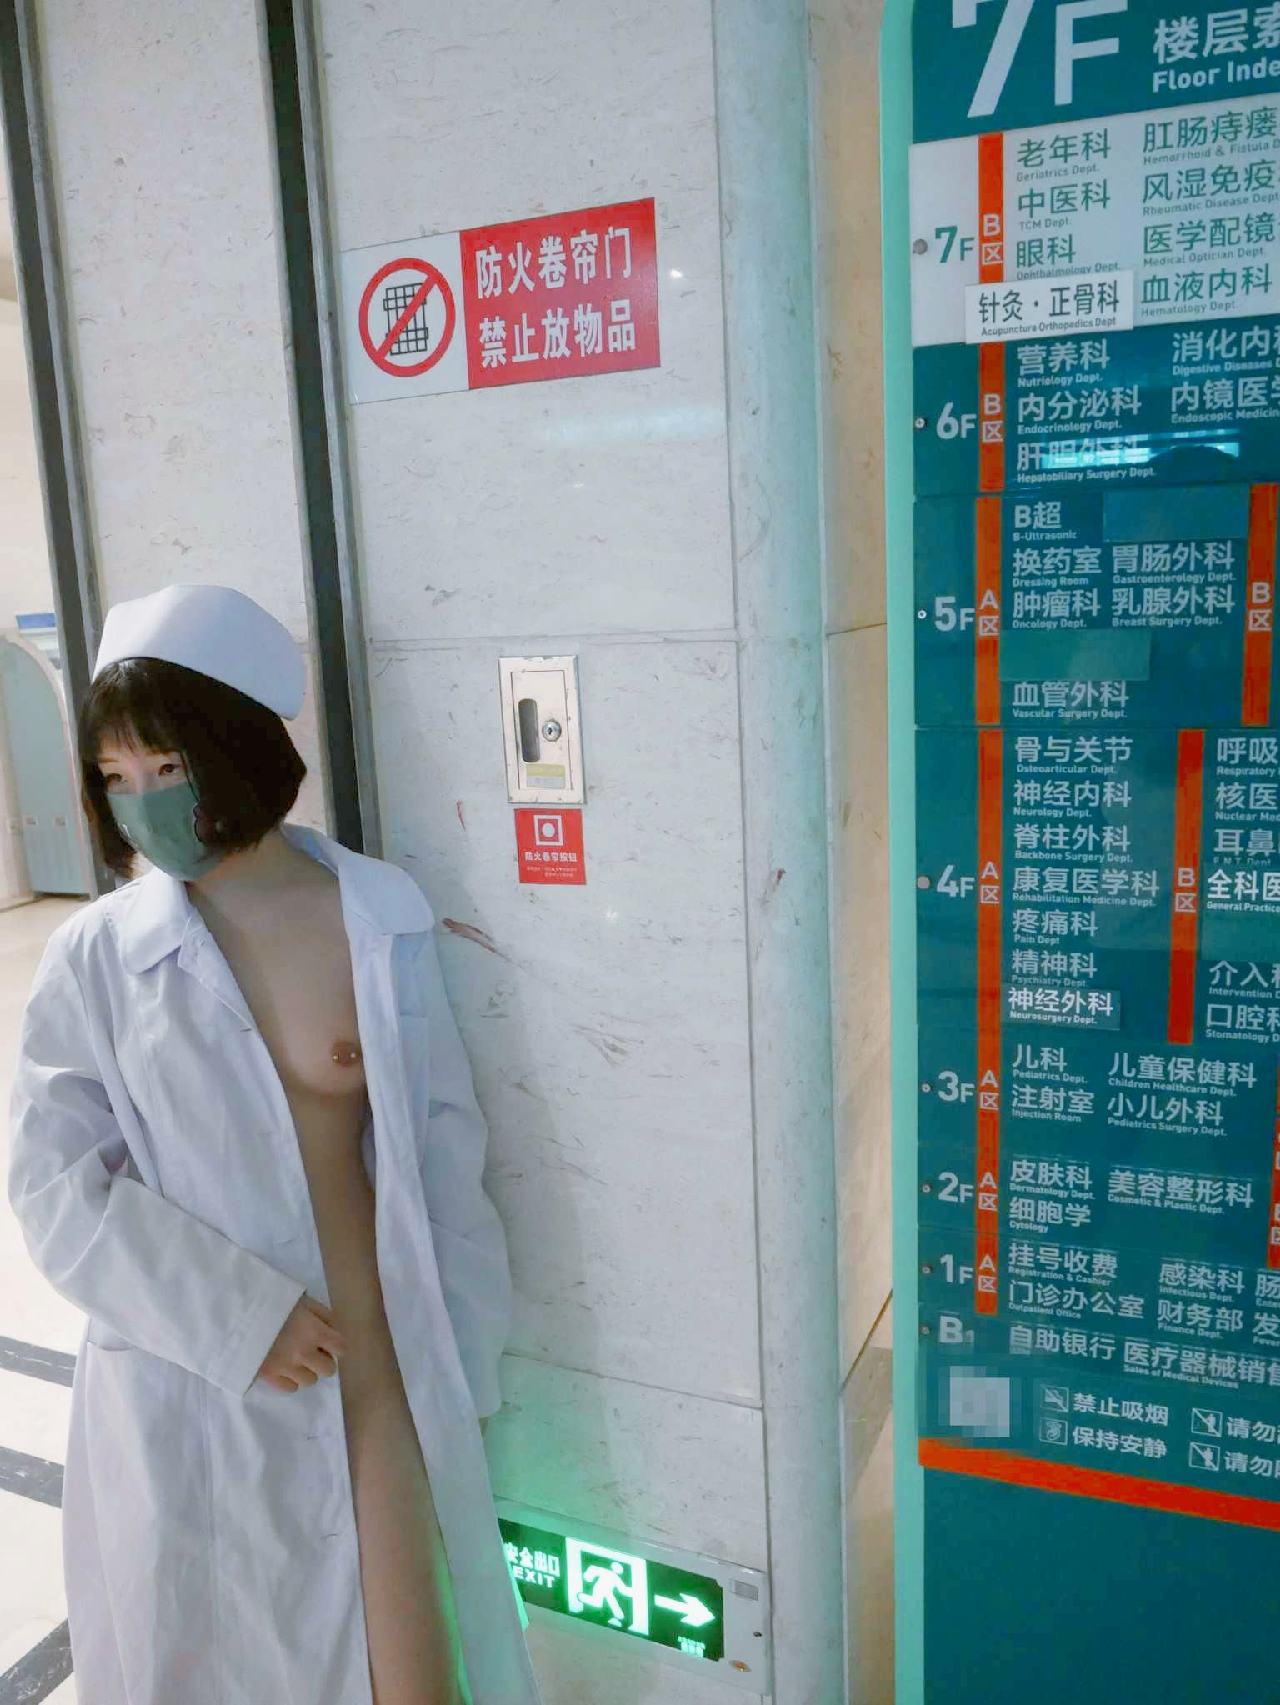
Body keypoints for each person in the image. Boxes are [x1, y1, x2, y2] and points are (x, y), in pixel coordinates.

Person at [6, 583, 543, 1705]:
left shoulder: (378, 916)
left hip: (376, 1370)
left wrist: (468, 1359)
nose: (141, 802)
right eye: (114, 776)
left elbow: (445, 1155)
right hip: (195, 1379)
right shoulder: (96, 955)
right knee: (206, 1662)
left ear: (240, 749)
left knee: (411, 1674)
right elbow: (55, 1184)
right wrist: (235, 1315)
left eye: (167, 766)